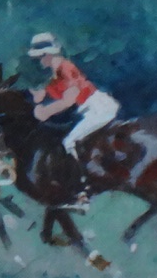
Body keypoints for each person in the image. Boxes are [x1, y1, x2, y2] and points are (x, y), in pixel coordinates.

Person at [26, 33, 120, 205]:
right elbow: (45, 93)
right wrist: (37, 96)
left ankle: (83, 190)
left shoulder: (65, 68)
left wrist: (46, 111)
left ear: (47, 55)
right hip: (90, 109)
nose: (39, 61)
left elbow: (69, 100)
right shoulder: (56, 74)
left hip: (98, 108)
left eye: (39, 57)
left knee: (69, 142)